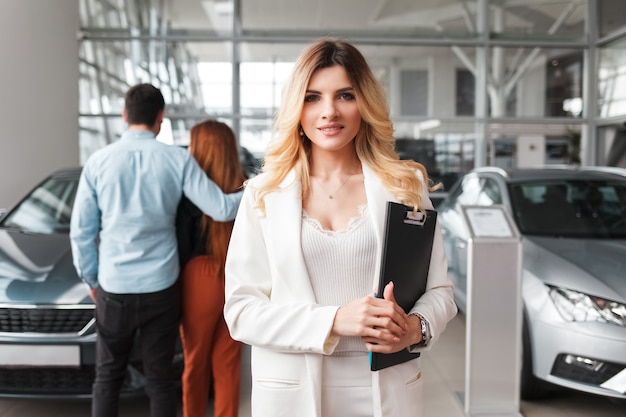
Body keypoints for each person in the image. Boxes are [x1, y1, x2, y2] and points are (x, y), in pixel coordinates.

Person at [223, 38, 458, 417]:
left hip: (387, 389)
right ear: (296, 108)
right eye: (313, 97)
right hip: (292, 392)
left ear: (364, 103)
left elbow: (440, 292)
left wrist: (417, 328)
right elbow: (241, 312)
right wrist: (335, 320)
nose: (329, 111)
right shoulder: (263, 195)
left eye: (345, 95)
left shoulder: (405, 186)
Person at [69, 83, 243, 417]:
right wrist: (261, 190)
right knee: (161, 381)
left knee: (107, 378)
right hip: (161, 289)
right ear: (160, 118)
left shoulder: (98, 162)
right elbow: (221, 209)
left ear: (124, 116)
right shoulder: (176, 159)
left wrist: (91, 279)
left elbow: (81, 233)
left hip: (114, 287)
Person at [176, 120, 245, 417]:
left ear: (201, 148)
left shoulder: (189, 190)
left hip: (197, 278)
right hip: (236, 275)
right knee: (228, 364)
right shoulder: (243, 186)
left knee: (195, 361)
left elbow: (180, 243)